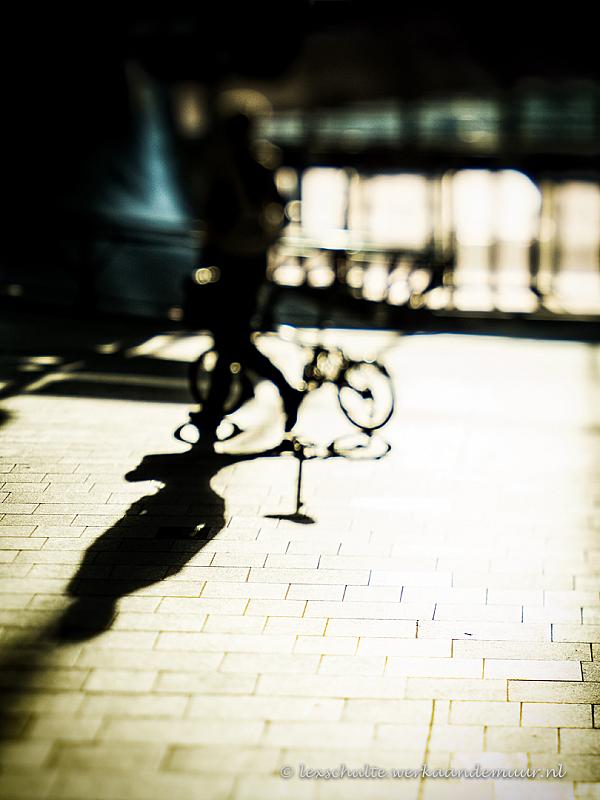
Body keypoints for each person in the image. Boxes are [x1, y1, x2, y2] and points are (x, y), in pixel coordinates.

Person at [183, 110, 303, 442]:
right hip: (253, 261)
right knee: (231, 337)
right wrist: (266, 239)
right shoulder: (260, 166)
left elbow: (212, 223)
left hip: (230, 260)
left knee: (230, 338)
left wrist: (205, 258)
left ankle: (284, 390)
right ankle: (213, 411)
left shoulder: (225, 169)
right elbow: (282, 210)